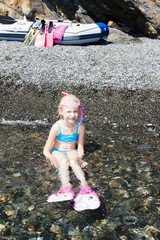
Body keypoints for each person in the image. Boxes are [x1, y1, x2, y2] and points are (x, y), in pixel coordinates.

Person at [43, 92, 100, 211]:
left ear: (79, 111)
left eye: (75, 111)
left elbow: (80, 147)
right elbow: (46, 150)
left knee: (73, 162)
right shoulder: (56, 127)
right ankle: (66, 186)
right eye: (68, 111)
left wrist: (80, 159)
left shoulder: (80, 127)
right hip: (57, 151)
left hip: (71, 150)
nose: (72, 115)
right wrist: (52, 161)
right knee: (63, 161)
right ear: (61, 112)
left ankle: (84, 186)